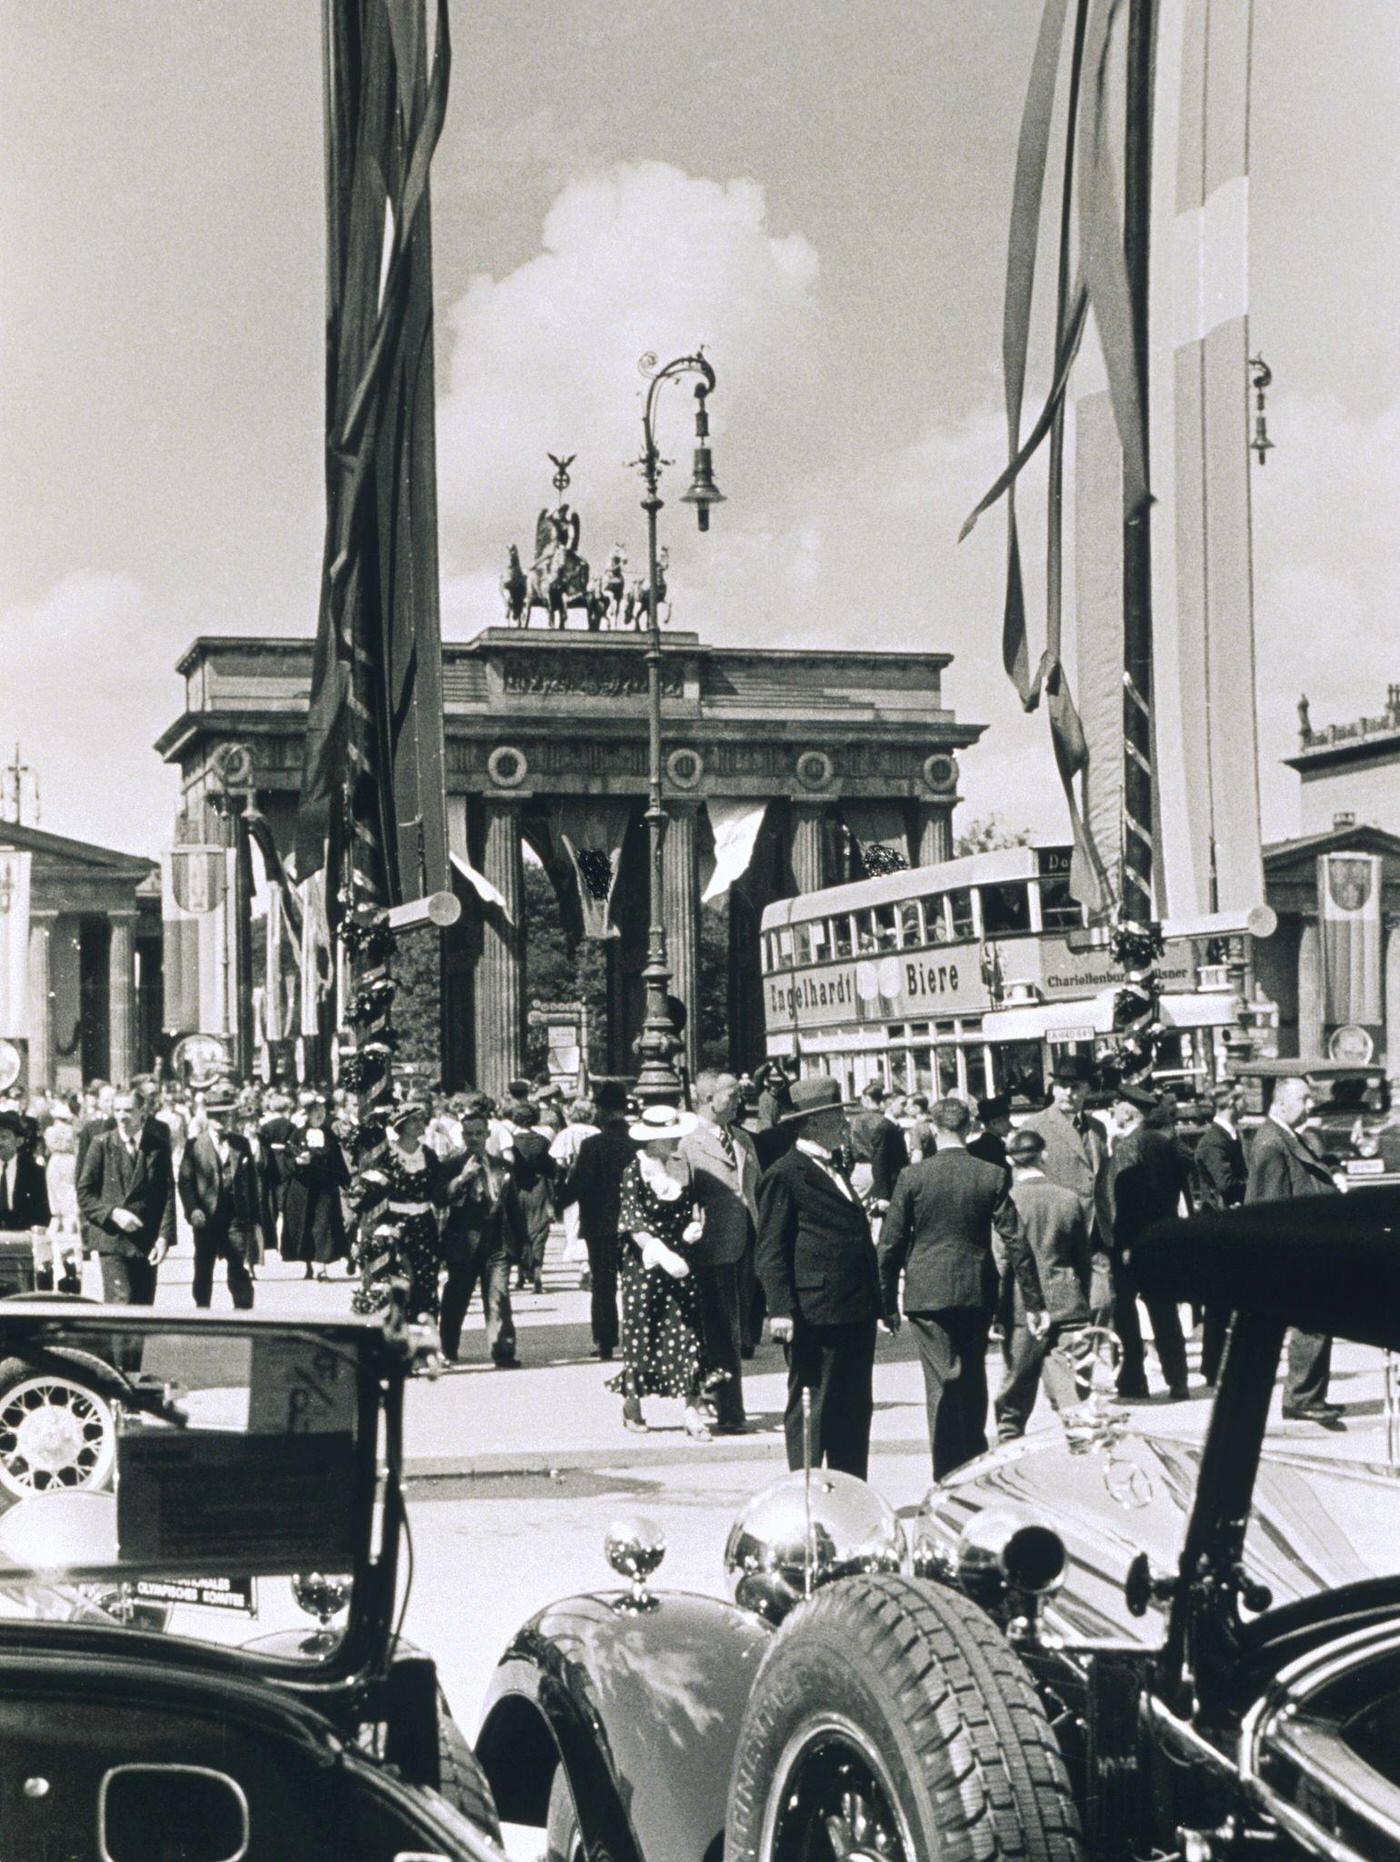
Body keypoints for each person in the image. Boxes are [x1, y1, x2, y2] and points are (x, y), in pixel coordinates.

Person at [879, 1095, 1044, 1480]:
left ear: (933, 1129)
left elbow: (890, 1243)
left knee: (940, 1383)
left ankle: (945, 1473)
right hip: (975, 1289)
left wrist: (885, 1302)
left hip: (926, 1291)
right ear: (970, 1128)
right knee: (972, 1377)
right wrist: (1034, 1301)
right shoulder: (990, 1174)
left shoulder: (912, 1177)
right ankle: (973, 1463)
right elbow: (1016, 1241)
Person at [756, 1074, 887, 1480]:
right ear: (812, 1123)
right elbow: (771, 1250)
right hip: (815, 1312)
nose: (846, 1124)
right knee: (813, 1402)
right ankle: (808, 1488)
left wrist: (880, 1303)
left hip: (853, 1309)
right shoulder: (786, 1173)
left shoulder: (834, 1166)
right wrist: (780, 1309)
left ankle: (849, 1486)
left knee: (853, 1406)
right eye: (837, 1117)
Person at [610, 1103, 720, 1439]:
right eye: (669, 1137)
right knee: (642, 1329)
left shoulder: (680, 1166)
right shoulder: (634, 1170)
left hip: (682, 1259)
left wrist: (695, 1226)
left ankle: (690, 1411)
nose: (675, 1141)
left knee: (687, 1330)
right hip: (646, 1262)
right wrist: (658, 1251)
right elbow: (631, 1221)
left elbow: (695, 1205)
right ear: (653, 1140)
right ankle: (633, 1403)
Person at [1246, 1074, 1343, 1425]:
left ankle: (1307, 1396)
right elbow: (1270, 1208)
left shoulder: (1286, 1136)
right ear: (1280, 1101)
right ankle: (1302, 1398)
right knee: (1311, 1323)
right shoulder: (1271, 1143)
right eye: (1303, 1099)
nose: (1310, 1105)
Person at [994, 1127, 1092, 1440]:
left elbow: (1002, 1262)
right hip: (1067, 1302)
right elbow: (1082, 1259)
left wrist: (997, 1313)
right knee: (1071, 1385)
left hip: (1021, 1307)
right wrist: (1082, 1297)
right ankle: (1081, 1444)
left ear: (1011, 1162)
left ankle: (1009, 1443)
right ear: (1044, 1155)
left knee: (1016, 1387)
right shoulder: (1068, 1200)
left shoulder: (1007, 1203)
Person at [679, 1070, 761, 1435]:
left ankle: (725, 1402)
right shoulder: (686, 1142)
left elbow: (752, 1191)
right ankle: (727, 1408)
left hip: (744, 1244)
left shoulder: (742, 1138)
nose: (739, 1101)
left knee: (736, 1328)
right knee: (716, 1328)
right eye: (732, 1096)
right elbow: (679, 1197)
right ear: (709, 1098)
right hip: (707, 1249)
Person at [1107, 1082, 1191, 1400]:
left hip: (1134, 1243)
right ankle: (1178, 1380)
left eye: (1115, 1106)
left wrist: (1123, 1243)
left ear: (1128, 1112)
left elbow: (1126, 1199)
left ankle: (1132, 1380)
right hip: (1163, 1237)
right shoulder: (1164, 1142)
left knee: (1126, 1314)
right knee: (1165, 1312)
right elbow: (1182, 1190)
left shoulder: (1128, 1148)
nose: (1112, 1111)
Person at [1021, 1055, 1112, 1319]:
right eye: (1062, 1085)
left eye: (1076, 1087)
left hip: (1095, 1230)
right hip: (1057, 1231)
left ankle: (1089, 1354)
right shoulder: (1035, 1127)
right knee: (1065, 1308)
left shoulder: (1097, 1128)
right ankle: (1073, 1356)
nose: (1069, 1093)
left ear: (1088, 1089)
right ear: (1053, 1088)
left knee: (1103, 1301)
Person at [439, 1093, 526, 1368]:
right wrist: (463, 1178)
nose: (474, 1138)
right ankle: (447, 1349)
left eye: (479, 1133)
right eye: (469, 1134)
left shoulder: (503, 1166)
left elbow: (514, 1207)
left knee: (498, 1297)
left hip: (496, 1242)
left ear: (488, 1134)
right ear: (462, 1136)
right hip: (463, 1242)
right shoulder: (451, 1166)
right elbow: (443, 1198)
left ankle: (503, 1351)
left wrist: (524, 1244)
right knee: (456, 1300)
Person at [75, 1083, 176, 1305]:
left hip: (144, 1238)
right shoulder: (101, 1144)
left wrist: (164, 1237)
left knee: (142, 1307)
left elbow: (166, 1195)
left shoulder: (157, 1147)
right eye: (118, 1110)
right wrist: (112, 1214)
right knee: (121, 1301)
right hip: (112, 1239)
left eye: (128, 1110)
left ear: (142, 1112)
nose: (122, 1116)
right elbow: (84, 1193)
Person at [563, 1080, 634, 1361]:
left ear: (602, 1109)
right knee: (634, 1283)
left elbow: (579, 1183)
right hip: (633, 1224)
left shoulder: (593, 1145)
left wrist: (558, 1202)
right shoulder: (637, 1141)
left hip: (600, 1225)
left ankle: (605, 1341)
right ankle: (637, 1336)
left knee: (603, 1285)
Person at [177, 1086, 259, 1310]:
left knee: (238, 1266)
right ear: (207, 1116)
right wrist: (193, 1209)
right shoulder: (195, 1145)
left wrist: (255, 1220)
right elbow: (185, 1181)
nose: (221, 1119)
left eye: (225, 1114)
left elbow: (252, 1182)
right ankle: (202, 1310)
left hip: (235, 1217)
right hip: (206, 1217)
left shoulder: (240, 1143)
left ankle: (243, 1311)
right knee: (203, 1267)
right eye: (215, 1115)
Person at [1193, 1081, 1248, 1385]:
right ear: (1230, 1102)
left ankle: (1220, 1366)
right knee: (1219, 1303)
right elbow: (1226, 1185)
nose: (1246, 1103)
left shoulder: (1231, 1135)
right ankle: (1213, 1369)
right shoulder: (1214, 1142)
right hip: (1220, 1229)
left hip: (1230, 1226)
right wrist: (1257, 1183)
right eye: (1241, 1098)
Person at [380, 1099, 448, 1321]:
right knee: (398, 1278)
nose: (421, 1124)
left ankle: (426, 1333)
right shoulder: (388, 1155)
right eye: (415, 1121)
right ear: (402, 1124)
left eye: (422, 1120)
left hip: (424, 1224)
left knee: (426, 1280)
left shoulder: (428, 1155)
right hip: (396, 1223)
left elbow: (439, 1192)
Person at [280, 1093, 351, 1281]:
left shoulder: (330, 1136)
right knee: (305, 1225)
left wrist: (346, 1183)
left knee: (324, 1225)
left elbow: (337, 1161)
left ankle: (322, 1268)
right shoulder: (297, 1134)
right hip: (302, 1189)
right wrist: (296, 1161)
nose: (320, 1115)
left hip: (325, 1188)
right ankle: (309, 1264)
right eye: (315, 1112)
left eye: (322, 1111)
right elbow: (286, 1158)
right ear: (308, 1114)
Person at [502, 1097, 556, 1295]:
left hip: (517, 1191)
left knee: (517, 1231)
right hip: (539, 1190)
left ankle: (518, 1276)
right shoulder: (543, 1141)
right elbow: (551, 1169)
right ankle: (537, 1275)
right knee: (539, 1232)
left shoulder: (511, 1142)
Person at [550, 1096, 599, 1290]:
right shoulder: (596, 1132)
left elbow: (559, 1161)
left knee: (574, 1225)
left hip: (573, 1184)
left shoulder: (566, 1133)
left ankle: (584, 1268)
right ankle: (591, 1265)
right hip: (595, 1185)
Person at [847, 1081, 910, 1213]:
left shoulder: (857, 1120)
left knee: (853, 1208)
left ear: (867, 1098)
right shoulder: (885, 1121)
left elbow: (850, 1145)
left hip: (862, 1168)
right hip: (886, 1171)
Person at [41, 1106, 82, 1292]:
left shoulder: (49, 1131)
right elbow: (76, 1146)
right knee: (70, 1195)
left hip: (55, 1162)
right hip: (70, 1162)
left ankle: (56, 1219)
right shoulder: (72, 1130)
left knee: (55, 1196)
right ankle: (68, 1225)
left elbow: (48, 1148)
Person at [967, 1095, 1013, 1170]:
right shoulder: (997, 1149)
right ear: (993, 1123)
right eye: (1006, 1120)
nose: (1010, 1125)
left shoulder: (971, 1148)